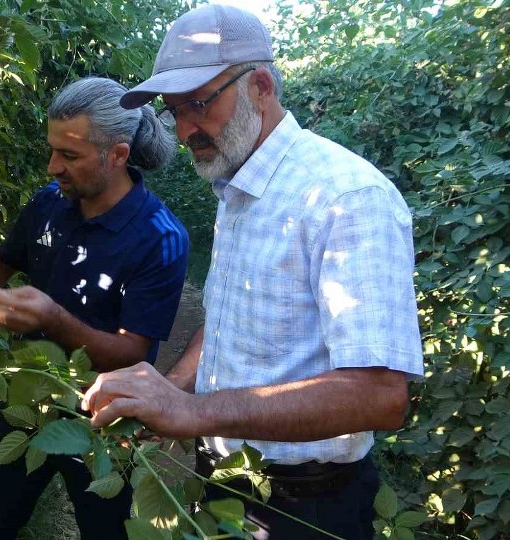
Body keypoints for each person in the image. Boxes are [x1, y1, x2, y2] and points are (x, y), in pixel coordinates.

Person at [82, 5, 424, 539]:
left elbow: (380, 396)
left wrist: (194, 413)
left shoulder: (346, 197)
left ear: (260, 85)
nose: (185, 129)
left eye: (197, 104)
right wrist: (170, 393)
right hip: (227, 484)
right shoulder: (237, 188)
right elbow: (228, 321)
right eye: (174, 111)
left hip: (305, 506)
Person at [0, 77, 188, 540]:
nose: (52, 168)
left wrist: (52, 318)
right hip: (28, 399)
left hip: (104, 418)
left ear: (118, 155)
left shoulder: (159, 238)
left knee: (108, 529)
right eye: (52, 150)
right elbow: (4, 259)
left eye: (69, 155)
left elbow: (132, 354)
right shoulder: (49, 203)